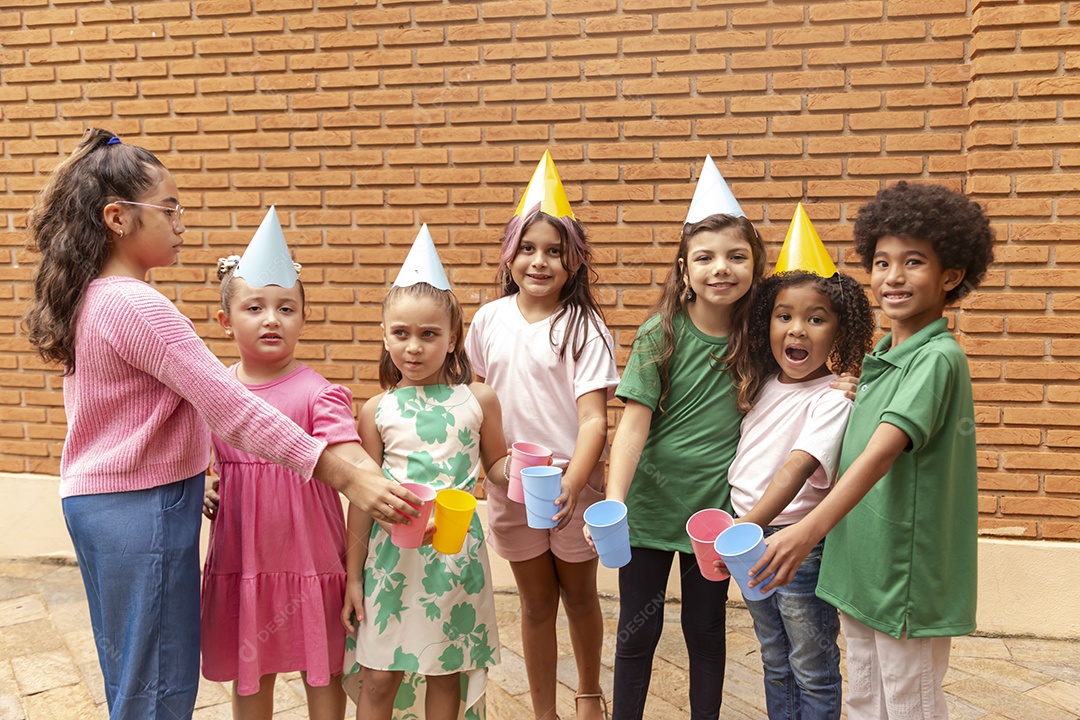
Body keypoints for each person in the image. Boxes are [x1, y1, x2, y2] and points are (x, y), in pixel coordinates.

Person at [21, 128, 419, 720]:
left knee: (134, 675)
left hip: (104, 504)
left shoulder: (95, 298)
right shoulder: (134, 304)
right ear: (117, 218)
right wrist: (347, 476)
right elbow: (231, 409)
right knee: (158, 685)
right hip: (139, 507)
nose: (182, 222)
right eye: (169, 208)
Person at [750, 182, 995, 720]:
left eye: (914, 262)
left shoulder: (938, 358)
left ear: (951, 276)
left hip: (901, 575)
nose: (894, 277)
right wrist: (861, 388)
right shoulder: (885, 357)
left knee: (909, 703)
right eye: (882, 262)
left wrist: (806, 529)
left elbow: (881, 455)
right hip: (860, 567)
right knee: (864, 695)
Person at [465, 152, 620, 720]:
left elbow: (594, 419)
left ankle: (587, 693)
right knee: (534, 604)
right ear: (510, 255)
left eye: (554, 251)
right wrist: (492, 470)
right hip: (511, 483)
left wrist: (574, 484)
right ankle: (543, 711)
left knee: (579, 596)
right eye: (527, 248)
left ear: (573, 262)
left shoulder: (584, 327)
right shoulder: (487, 320)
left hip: (572, 486)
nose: (540, 261)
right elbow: (479, 401)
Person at [200, 208, 372, 719]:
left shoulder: (319, 394)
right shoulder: (214, 391)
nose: (272, 318)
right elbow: (195, 457)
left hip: (312, 562)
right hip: (244, 560)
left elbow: (352, 457)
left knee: (323, 669)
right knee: (251, 674)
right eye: (255, 307)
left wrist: (385, 490)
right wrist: (201, 486)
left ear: (303, 316)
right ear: (226, 320)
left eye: (286, 308)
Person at [341, 226, 507, 720]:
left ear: (454, 336)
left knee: (444, 671)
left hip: (454, 558)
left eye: (429, 334)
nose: (413, 347)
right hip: (389, 559)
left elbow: (496, 465)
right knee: (378, 673)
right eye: (401, 333)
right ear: (385, 333)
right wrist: (353, 576)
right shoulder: (376, 410)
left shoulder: (478, 399)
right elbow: (362, 497)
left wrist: (524, 468)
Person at [727, 212, 875, 720]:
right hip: (749, 540)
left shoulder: (833, 397)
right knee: (773, 658)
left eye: (816, 318)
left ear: (841, 330)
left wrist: (746, 526)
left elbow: (795, 468)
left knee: (811, 662)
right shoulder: (763, 383)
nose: (797, 329)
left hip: (793, 545)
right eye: (784, 315)